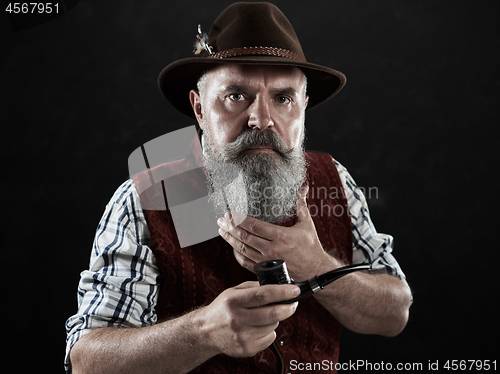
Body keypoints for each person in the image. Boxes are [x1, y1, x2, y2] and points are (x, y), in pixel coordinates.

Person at [65, 2, 412, 373]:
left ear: (304, 107)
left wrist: (315, 265)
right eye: (236, 96)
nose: (262, 119)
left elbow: (395, 313)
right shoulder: (149, 196)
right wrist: (202, 332)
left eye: (283, 98)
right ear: (199, 109)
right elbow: (87, 362)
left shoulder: (334, 180)